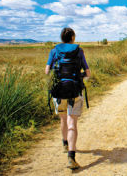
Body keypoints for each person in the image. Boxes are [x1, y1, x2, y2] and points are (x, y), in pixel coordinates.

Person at [45, 27, 91, 170]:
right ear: (73, 37)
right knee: (73, 123)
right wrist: (79, 76)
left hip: (58, 92)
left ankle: (65, 143)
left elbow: (47, 71)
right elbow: (88, 73)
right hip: (75, 91)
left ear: (61, 38)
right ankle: (71, 157)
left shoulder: (54, 51)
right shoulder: (79, 51)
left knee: (63, 119)